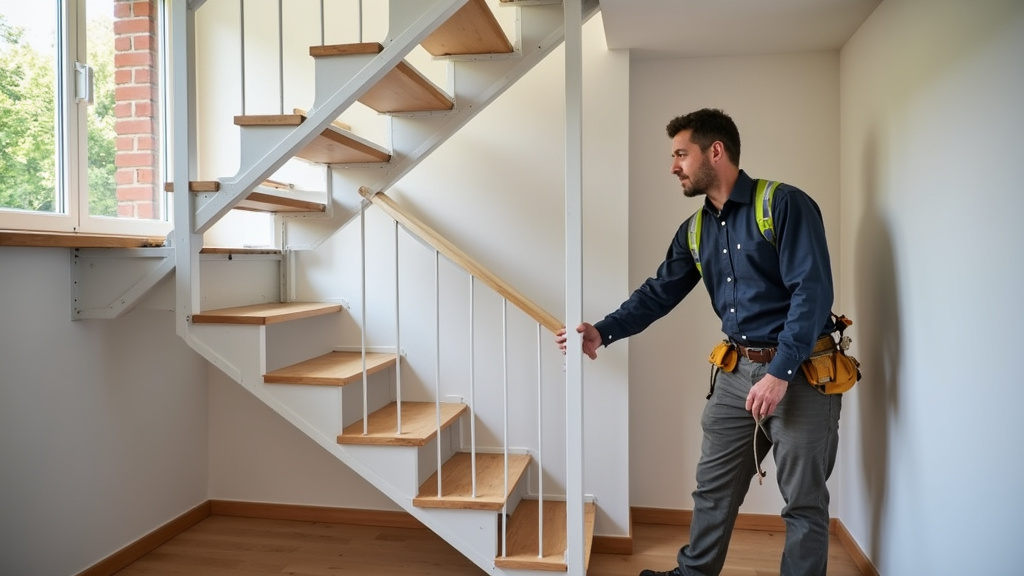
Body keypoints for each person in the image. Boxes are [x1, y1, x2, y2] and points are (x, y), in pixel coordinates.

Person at [556, 108, 841, 576]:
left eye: (680, 154)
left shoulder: (784, 204)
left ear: (715, 151)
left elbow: (812, 293)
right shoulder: (695, 230)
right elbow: (658, 292)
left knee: (803, 503)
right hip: (735, 375)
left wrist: (779, 373)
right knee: (714, 489)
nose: (674, 166)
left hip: (802, 373)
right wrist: (603, 331)